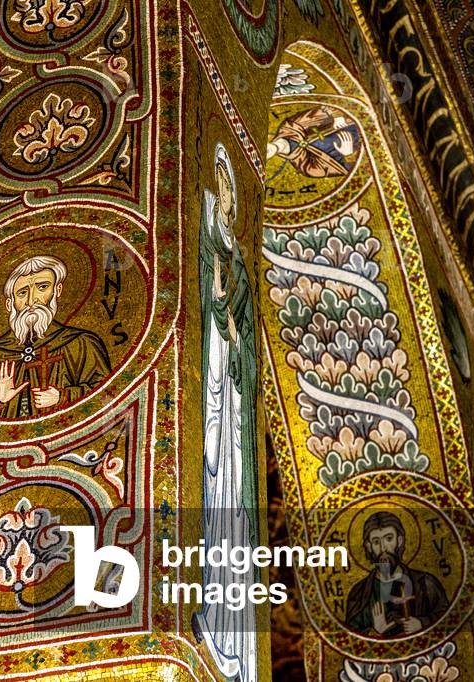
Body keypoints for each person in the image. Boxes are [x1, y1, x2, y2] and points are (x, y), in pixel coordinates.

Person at [192, 144, 258, 682]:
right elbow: (208, 312)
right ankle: (210, 620)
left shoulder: (239, 265)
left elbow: (246, 348)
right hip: (212, 398)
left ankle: (228, 634)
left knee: (230, 518)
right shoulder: (210, 249)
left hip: (232, 414)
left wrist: (234, 339)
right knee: (213, 515)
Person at [0, 255, 112, 418]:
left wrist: (62, 397)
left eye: (42, 287)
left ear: (57, 291)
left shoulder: (81, 343)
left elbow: (108, 394)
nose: (31, 301)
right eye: (22, 293)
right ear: (10, 304)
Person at [345, 512, 450, 637]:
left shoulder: (425, 583)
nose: (383, 548)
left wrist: (422, 623)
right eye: (376, 542)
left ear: (399, 540)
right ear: (369, 546)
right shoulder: (359, 593)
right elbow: (349, 638)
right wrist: (375, 632)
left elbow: (449, 620)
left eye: (389, 539)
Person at [266, 106, 362, 179]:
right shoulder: (307, 167)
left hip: (357, 117)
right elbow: (353, 170)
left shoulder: (290, 126)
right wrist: (349, 155)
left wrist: (336, 117)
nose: (264, 153)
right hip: (364, 144)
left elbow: (327, 108)